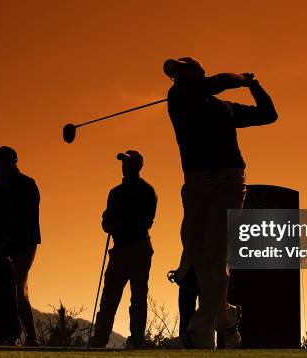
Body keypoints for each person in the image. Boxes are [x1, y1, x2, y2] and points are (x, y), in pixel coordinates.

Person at [162, 57, 278, 349]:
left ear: (196, 72)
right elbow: (217, 82)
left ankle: (199, 333)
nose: (175, 78)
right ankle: (226, 317)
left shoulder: (225, 109)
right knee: (197, 257)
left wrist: (255, 86)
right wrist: (240, 78)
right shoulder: (178, 98)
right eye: (173, 74)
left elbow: (268, 114)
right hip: (195, 183)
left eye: (180, 71)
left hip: (228, 180)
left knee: (214, 256)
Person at [89, 150, 157, 349]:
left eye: (128, 162)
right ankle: (100, 338)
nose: (124, 165)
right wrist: (109, 223)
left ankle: (135, 339)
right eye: (123, 162)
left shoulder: (146, 191)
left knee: (137, 296)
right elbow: (107, 222)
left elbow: (145, 222)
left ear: (138, 166)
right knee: (110, 295)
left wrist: (116, 223)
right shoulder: (115, 192)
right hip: (121, 248)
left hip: (137, 247)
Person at [0, 146, 41, 346]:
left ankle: (27, 336)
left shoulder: (27, 184)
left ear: (12, 162)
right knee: (8, 287)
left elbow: (26, 218)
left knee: (16, 287)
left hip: (23, 245)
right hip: (3, 245)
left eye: (1, 161)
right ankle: (14, 335)